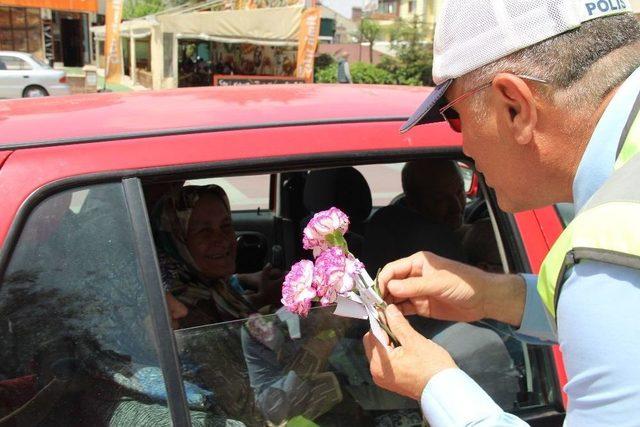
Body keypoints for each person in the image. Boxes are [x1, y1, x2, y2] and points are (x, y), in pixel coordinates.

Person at [363, 2, 640, 426]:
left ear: (514, 105)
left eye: (454, 116)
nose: (465, 149)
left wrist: (435, 384)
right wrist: (491, 295)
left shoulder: (606, 253)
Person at [153, 184, 283, 327]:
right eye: (204, 231)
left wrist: (250, 285)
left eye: (226, 225)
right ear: (177, 240)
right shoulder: (183, 310)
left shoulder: (206, 282)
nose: (222, 239)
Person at [363, 159, 466, 275]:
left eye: (460, 191)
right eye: (440, 199)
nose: (457, 206)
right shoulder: (436, 243)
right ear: (413, 201)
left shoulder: (383, 221)